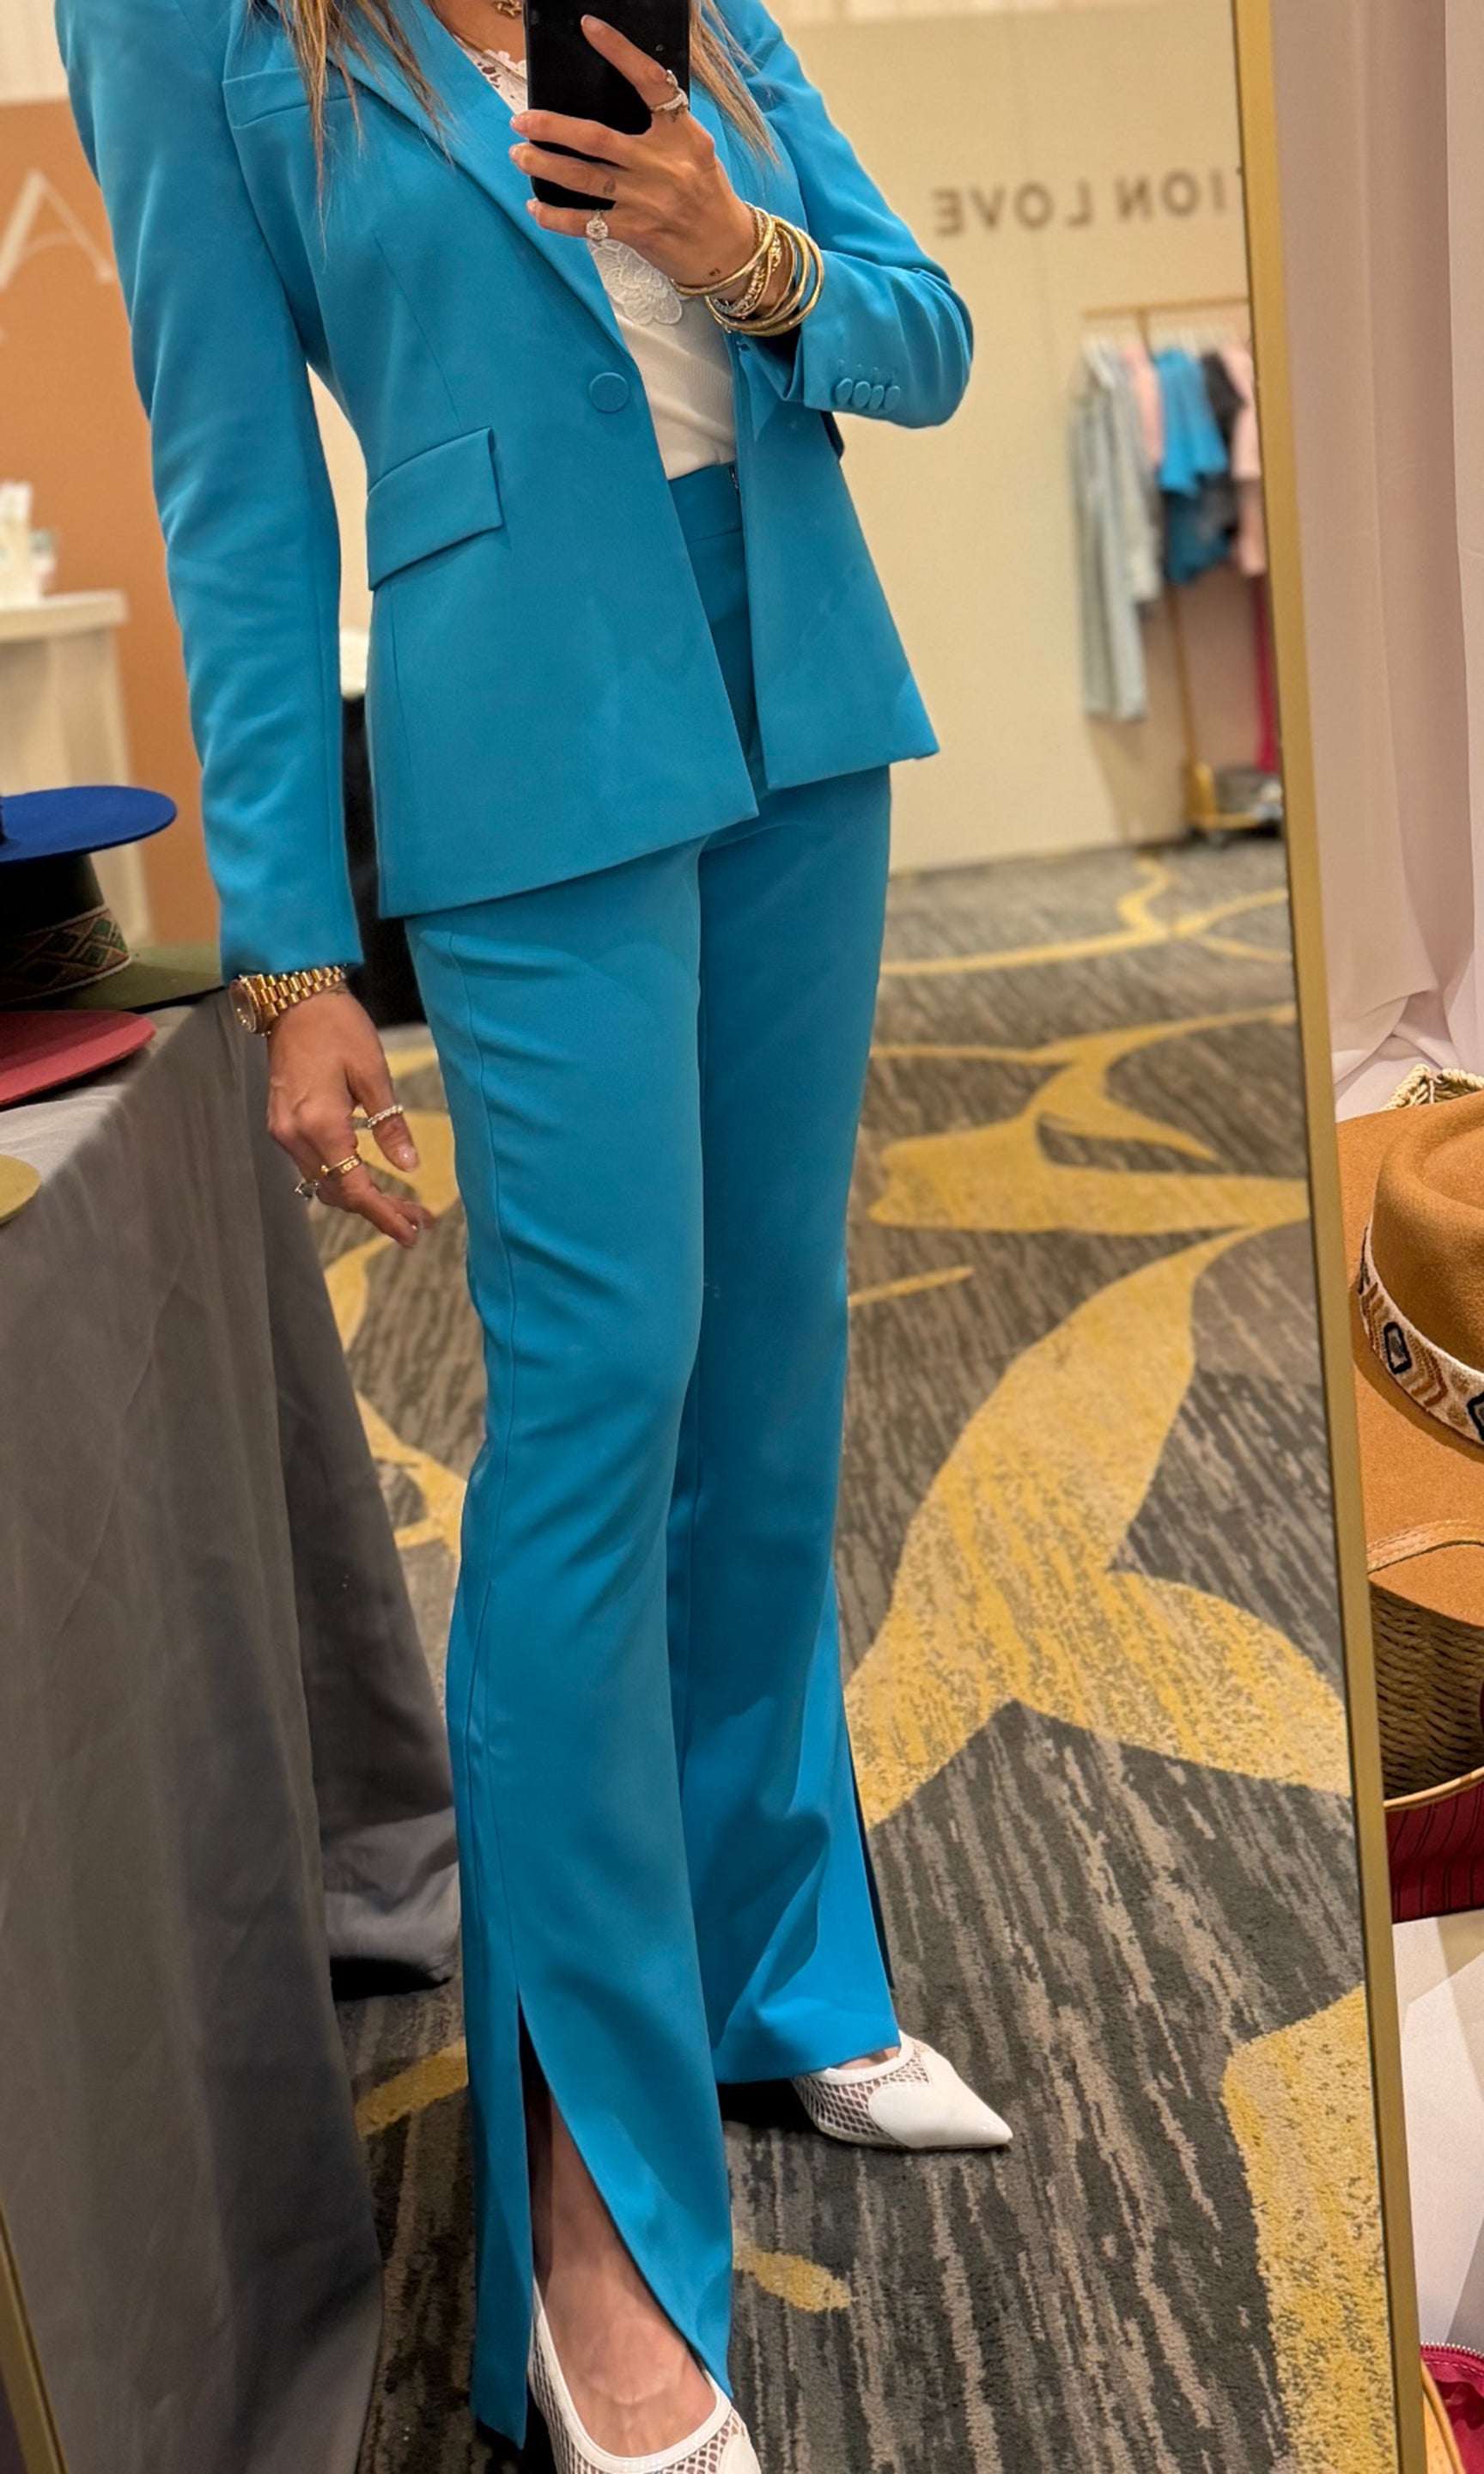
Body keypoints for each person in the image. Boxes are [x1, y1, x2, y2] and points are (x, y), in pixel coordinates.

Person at [57, 0, 1010, 2461]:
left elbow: (921, 338)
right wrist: (286, 944)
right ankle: (593, 2199)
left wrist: (739, 240)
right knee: (597, 1422)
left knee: (772, 1381)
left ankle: (781, 1969)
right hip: (523, 747)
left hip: (793, 691)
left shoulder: (688, 5)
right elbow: (237, 477)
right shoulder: (185, 24)